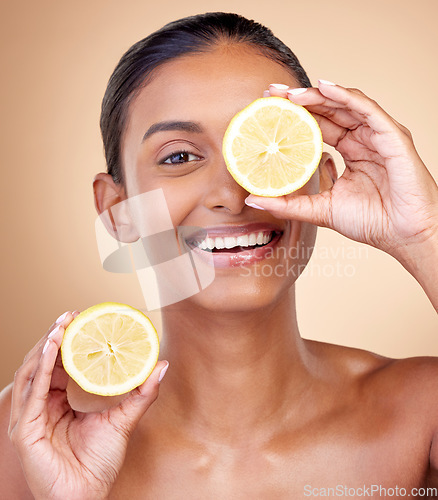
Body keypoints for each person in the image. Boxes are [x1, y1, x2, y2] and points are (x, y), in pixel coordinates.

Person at [1, 11, 437, 499]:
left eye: (264, 148)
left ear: (323, 179)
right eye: (180, 157)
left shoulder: (422, 413)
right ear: (117, 210)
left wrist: (423, 233)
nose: (231, 195)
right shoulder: (28, 435)